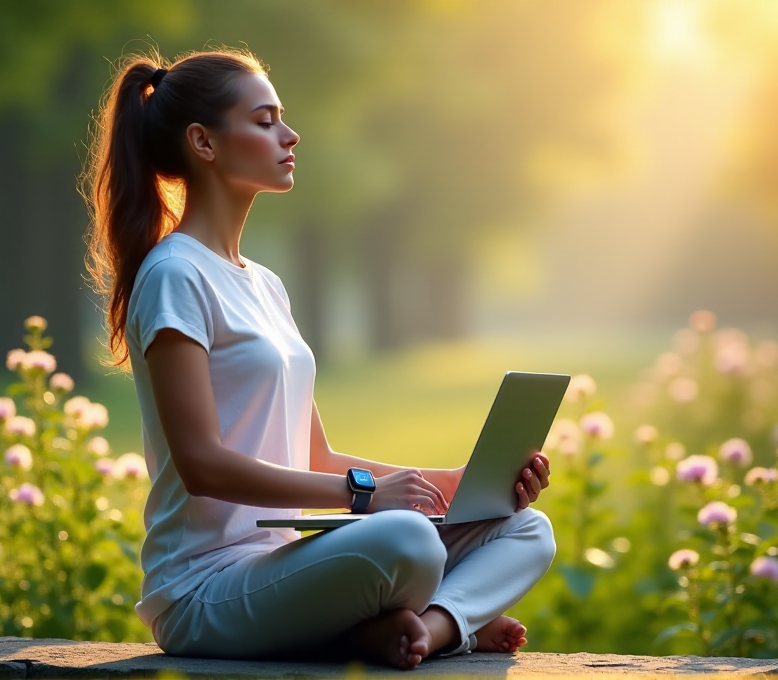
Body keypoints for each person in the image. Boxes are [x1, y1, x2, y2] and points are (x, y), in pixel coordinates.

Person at [85, 48, 557, 670]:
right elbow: (201, 465)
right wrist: (366, 497)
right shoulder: (174, 275)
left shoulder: (264, 285)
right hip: (205, 589)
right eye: (264, 119)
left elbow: (316, 457)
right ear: (203, 141)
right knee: (408, 539)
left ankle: (431, 629)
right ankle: (416, 622)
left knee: (526, 531)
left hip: (285, 567)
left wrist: (469, 485)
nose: (290, 133)